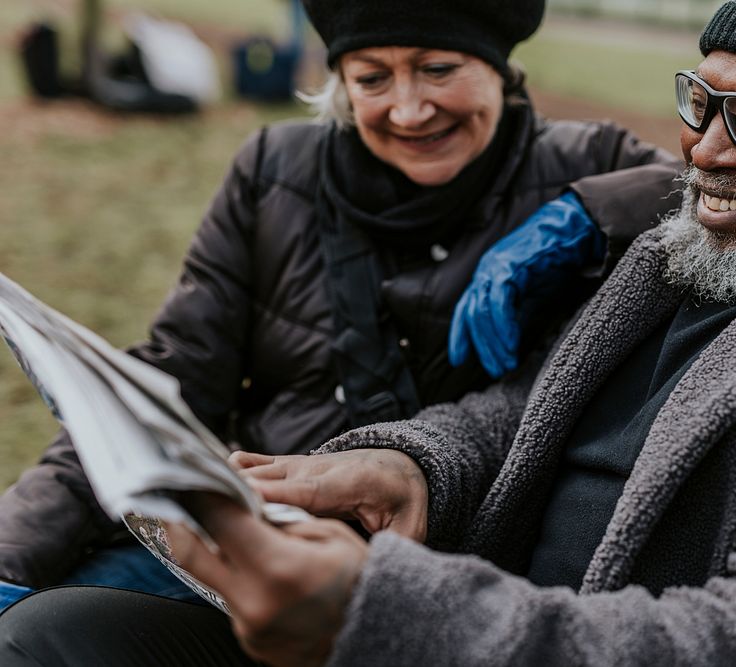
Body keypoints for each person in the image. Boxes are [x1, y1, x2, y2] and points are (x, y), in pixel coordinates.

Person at [6, 0, 736, 665]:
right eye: (700, 101)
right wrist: (412, 468)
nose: (704, 147)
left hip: (470, 631)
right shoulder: (690, 255)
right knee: (57, 635)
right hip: (452, 601)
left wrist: (380, 615)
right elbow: (535, 413)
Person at [0, 0, 682, 610]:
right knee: (42, 622)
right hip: (248, 538)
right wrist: (13, 551)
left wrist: (585, 212)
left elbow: (718, 195)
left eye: (439, 67)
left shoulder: (588, 159)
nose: (409, 109)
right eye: (372, 78)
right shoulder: (272, 169)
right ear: (339, 86)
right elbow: (172, 381)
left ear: (501, 68)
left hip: (437, 570)